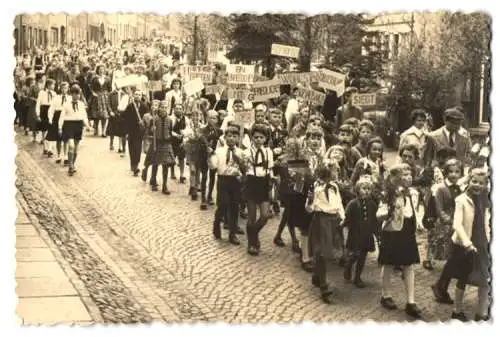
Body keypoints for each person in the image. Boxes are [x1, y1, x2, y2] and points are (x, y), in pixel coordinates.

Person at [377, 163, 425, 319]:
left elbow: (414, 210)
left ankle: (411, 301)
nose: (408, 177)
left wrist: (419, 223)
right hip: (392, 231)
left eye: (410, 173)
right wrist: (386, 213)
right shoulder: (388, 193)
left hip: (407, 230)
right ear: (395, 177)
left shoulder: (413, 193)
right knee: (388, 263)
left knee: (409, 264)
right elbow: (380, 212)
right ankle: (386, 295)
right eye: (404, 175)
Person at [444, 169, 491, 322]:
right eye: (474, 181)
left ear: (485, 185)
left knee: (486, 277)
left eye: (481, 183)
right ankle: (457, 310)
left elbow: (486, 222)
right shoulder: (461, 199)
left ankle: (482, 312)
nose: (477, 185)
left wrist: (490, 240)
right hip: (465, 244)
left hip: (482, 243)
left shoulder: (486, 200)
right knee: (463, 277)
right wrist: (467, 243)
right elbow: (457, 224)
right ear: (469, 181)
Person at [306, 163, 344, 304]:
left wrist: (342, 217)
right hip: (320, 220)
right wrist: (310, 200)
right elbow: (309, 209)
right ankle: (323, 286)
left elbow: (339, 203)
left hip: (333, 221)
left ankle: (317, 275)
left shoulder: (334, 187)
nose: (336, 174)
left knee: (328, 252)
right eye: (334, 172)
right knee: (321, 252)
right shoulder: (315, 187)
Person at [210, 123, 247, 245]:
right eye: (229, 136)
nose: (231, 138)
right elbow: (214, 166)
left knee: (234, 206)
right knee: (223, 204)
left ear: (238, 138)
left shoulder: (241, 152)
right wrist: (210, 157)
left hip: (235, 181)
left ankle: (232, 233)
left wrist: (240, 162)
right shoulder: (219, 151)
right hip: (223, 179)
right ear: (225, 138)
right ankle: (216, 223)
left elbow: (244, 168)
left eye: (234, 136)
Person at [243, 123, 274, 256]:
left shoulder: (269, 152)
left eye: (261, 137)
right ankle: (252, 243)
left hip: (264, 182)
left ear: (266, 138)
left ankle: (252, 232)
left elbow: (270, 168)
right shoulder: (246, 152)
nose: (258, 140)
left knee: (265, 215)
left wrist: (272, 180)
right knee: (251, 215)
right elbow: (244, 169)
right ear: (251, 138)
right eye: (256, 137)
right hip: (251, 182)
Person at [343, 177, 378, 288]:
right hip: (355, 233)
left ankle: (357, 277)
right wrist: (343, 225)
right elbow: (347, 218)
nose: (366, 191)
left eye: (368, 188)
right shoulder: (353, 204)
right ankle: (348, 266)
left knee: (363, 256)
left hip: (367, 234)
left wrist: (377, 232)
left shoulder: (372, 204)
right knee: (355, 253)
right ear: (358, 189)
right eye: (364, 188)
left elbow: (374, 220)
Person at [58, 84, 92, 176]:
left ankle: (72, 165)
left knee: (76, 148)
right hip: (68, 125)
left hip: (78, 125)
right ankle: (70, 166)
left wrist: (88, 126)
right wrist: (60, 128)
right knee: (71, 146)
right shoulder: (66, 104)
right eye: (74, 94)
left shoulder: (81, 104)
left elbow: (84, 116)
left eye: (78, 94)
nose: (76, 96)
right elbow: (62, 117)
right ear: (71, 94)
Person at [123, 89, 148, 176]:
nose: (137, 96)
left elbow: (147, 118)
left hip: (139, 131)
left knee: (138, 148)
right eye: (136, 94)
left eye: (139, 95)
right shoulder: (130, 106)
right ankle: (133, 164)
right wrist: (126, 132)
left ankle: (136, 166)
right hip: (131, 130)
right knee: (131, 148)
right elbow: (125, 119)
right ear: (133, 96)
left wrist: (143, 123)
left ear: (142, 96)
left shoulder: (144, 106)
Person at [47, 82, 69, 164]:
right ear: (60, 89)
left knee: (66, 138)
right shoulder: (56, 98)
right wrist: (50, 119)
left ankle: (66, 156)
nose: (64, 90)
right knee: (58, 138)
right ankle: (59, 155)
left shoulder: (69, 98)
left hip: (66, 118)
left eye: (66, 88)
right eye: (63, 88)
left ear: (68, 89)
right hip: (57, 116)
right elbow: (51, 109)